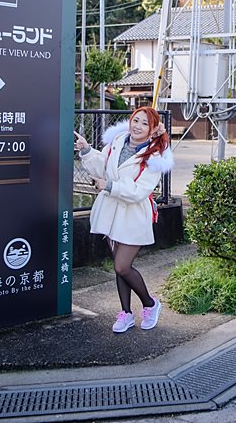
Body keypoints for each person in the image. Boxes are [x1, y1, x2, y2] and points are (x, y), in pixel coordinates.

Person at [74, 107, 173, 333]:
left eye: (144, 123)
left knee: (122, 265)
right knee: (120, 268)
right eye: (135, 120)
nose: (137, 126)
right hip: (111, 212)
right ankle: (126, 313)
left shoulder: (154, 156)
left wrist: (109, 186)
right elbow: (103, 167)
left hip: (133, 216)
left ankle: (150, 304)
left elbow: (139, 191)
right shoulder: (118, 140)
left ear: (152, 129)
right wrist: (87, 150)